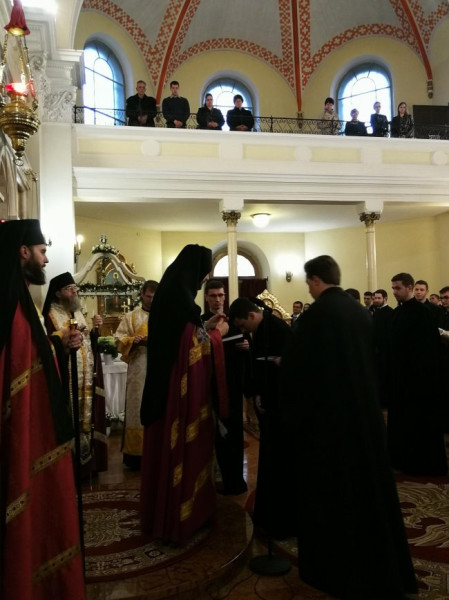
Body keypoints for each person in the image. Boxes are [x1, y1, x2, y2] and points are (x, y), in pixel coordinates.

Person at [280, 255, 417, 600]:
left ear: (315, 280)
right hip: (366, 417)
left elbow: (298, 371)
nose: (308, 290)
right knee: (369, 492)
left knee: (336, 498)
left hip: (330, 424)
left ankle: (337, 571)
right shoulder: (358, 311)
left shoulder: (317, 316)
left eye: (308, 284)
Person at [0, 219, 85, 600]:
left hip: (34, 423)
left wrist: (58, 346)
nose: (46, 259)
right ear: (23, 252)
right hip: (24, 430)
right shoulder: (10, 303)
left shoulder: (20, 297)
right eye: (42, 251)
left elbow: (34, 354)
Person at [140, 245, 228, 543]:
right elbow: (191, 350)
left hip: (163, 388)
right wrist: (217, 335)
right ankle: (180, 519)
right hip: (178, 396)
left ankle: (162, 514)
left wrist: (203, 326)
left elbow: (182, 335)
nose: (205, 279)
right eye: (204, 273)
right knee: (180, 449)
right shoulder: (181, 301)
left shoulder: (171, 295)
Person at [229, 297, 293, 538]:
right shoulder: (260, 330)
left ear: (251, 315)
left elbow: (290, 367)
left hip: (280, 407)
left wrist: (279, 363)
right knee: (269, 460)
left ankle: (281, 519)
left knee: (280, 463)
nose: (243, 331)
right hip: (268, 404)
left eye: (243, 325)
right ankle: (267, 513)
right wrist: (256, 393)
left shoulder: (277, 328)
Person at [43, 272, 108, 475]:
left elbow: (87, 344)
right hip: (67, 378)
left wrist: (95, 330)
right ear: (57, 293)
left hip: (86, 376)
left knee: (86, 419)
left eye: (75, 288)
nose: (74, 292)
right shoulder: (50, 315)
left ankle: (87, 466)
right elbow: (49, 348)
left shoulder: (78, 313)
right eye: (69, 289)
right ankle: (70, 467)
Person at [388, 272, 447, 476]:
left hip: (418, 380)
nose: (394, 292)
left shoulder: (422, 313)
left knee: (418, 423)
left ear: (409, 288)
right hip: (401, 378)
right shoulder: (398, 312)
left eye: (398, 288)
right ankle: (401, 460)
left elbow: (428, 350)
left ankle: (419, 464)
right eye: (393, 288)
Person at [201, 279, 250, 495]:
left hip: (232, 387)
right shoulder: (201, 323)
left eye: (221, 295)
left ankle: (234, 480)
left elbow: (246, 347)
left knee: (233, 434)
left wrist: (248, 346)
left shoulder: (234, 321)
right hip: (207, 387)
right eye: (213, 296)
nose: (218, 300)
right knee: (210, 434)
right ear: (206, 298)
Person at [115, 279, 158, 470]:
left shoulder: (164, 315)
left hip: (159, 368)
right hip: (138, 368)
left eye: (155, 297)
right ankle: (136, 456)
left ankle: (157, 452)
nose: (152, 300)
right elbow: (118, 338)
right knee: (137, 407)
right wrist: (133, 341)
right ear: (142, 294)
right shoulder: (131, 317)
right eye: (149, 296)